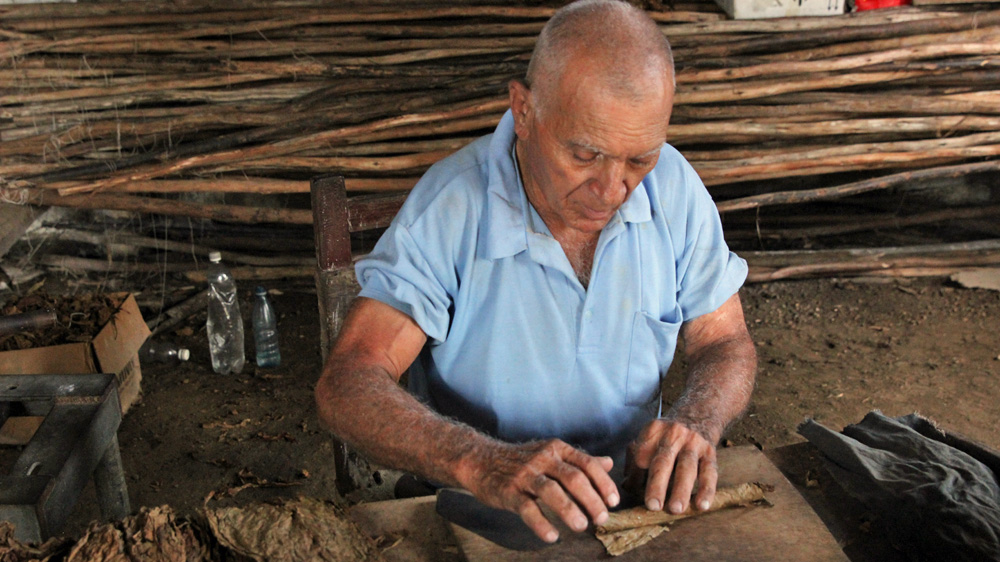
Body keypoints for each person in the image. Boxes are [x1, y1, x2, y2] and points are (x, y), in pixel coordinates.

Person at [315, 0, 756, 544]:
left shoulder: (674, 189)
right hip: (480, 516)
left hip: (635, 512)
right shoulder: (453, 208)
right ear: (523, 111)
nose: (613, 189)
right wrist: (480, 461)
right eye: (586, 154)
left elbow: (724, 340)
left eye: (639, 158)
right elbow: (349, 380)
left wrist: (697, 421)